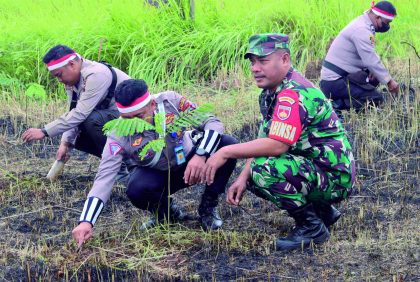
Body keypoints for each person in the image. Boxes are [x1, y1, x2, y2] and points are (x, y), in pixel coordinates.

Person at [203, 33, 356, 251]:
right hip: (316, 168)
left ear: (284, 59)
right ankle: (322, 212)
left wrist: (225, 152)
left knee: (264, 169)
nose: (255, 68)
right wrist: (242, 178)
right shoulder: (271, 92)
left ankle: (312, 227)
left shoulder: (292, 94)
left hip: (334, 176)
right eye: (252, 62)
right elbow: (265, 139)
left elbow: (277, 145)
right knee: (253, 175)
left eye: (263, 61)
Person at [72, 79, 237, 247]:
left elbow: (212, 123)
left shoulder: (170, 101)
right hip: (157, 174)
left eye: (138, 116)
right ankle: (166, 214)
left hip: (190, 161)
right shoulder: (118, 132)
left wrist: (201, 155)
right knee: (136, 189)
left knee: (227, 145)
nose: (134, 124)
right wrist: (86, 221)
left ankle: (208, 206)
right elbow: (104, 177)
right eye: (126, 118)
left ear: (152, 104)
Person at [22, 45, 130, 177]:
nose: (60, 80)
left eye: (59, 75)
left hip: (131, 122)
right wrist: (65, 143)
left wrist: (44, 131)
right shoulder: (73, 81)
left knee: (91, 120)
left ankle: (121, 165)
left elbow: (80, 114)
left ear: (72, 64)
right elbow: (73, 112)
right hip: (112, 120)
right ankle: (117, 163)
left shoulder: (96, 74)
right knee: (76, 138)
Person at [320, 1, 399, 112]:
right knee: (376, 99)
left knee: (375, 77)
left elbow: (366, 56)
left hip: (340, 78)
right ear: (377, 17)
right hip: (333, 82)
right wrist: (389, 81)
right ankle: (338, 104)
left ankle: (351, 97)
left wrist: (371, 71)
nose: (387, 26)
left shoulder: (365, 23)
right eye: (386, 23)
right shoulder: (362, 29)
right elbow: (371, 59)